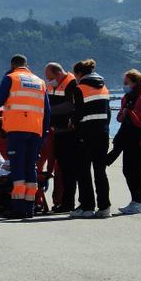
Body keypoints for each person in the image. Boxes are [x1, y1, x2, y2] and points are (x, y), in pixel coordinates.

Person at [0, 54, 50, 219]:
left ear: (12, 66)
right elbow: (47, 111)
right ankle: (29, 208)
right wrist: (43, 134)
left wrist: (5, 78)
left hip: (17, 130)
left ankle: (18, 208)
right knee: (30, 168)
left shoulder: (11, 78)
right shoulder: (40, 82)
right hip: (36, 131)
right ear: (27, 65)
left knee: (17, 168)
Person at [108, 69, 141, 215]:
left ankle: (138, 202)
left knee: (136, 171)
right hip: (127, 137)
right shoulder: (126, 97)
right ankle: (134, 201)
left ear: (135, 83)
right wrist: (123, 114)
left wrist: (132, 113)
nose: (124, 85)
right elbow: (120, 118)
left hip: (140, 139)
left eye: (126, 83)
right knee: (127, 170)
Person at [70, 59, 112, 218]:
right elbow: (108, 112)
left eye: (75, 75)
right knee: (100, 171)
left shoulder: (79, 88)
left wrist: (72, 123)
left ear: (79, 74)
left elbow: (78, 113)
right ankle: (104, 207)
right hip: (103, 133)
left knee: (83, 170)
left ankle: (87, 207)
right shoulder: (104, 87)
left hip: (86, 134)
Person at [44, 61, 79, 213]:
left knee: (68, 170)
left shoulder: (72, 83)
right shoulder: (52, 85)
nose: (48, 81)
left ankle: (68, 203)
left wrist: (48, 111)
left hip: (68, 133)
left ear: (58, 73)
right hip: (56, 132)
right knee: (61, 170)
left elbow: (70, 106)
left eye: (50, 77)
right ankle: (61, 202)